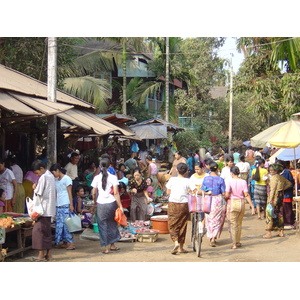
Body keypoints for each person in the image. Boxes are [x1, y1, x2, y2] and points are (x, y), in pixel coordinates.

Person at [91, 157, 123, 254]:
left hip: (101, 204)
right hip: (111, 203)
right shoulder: (113, 177)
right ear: (110, 166)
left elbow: (93, 192)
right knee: (112, 224)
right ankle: (113, 245)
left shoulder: (96, 178)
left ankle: (106, 248)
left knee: (103, 225)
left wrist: (94, 201)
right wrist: (120, 206)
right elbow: (116, 193)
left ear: (100, 166)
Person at [31, 159, 56, 262]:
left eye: (37, 173)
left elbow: (39, 192)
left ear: (41, 169)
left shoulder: (44, 177)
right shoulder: (50, 176)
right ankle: (48, 254)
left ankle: (41, 254)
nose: (37, 175)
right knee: (46, 231)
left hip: (43, 209)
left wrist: (34, 187)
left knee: (38, 231)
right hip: (48, 208)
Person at [224, 166, 255, 249]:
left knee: (233, 223)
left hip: (232, 202)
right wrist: (252, 206)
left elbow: (227, 194)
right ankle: (237, 241)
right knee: (239, 223)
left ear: (231, 173)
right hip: (241, 203)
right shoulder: (243, 182)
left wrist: (225, 199)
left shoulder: (229, 181)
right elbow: (246, 194)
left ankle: (234, 243)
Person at [166, 162, 193, 254]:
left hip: (173, 204)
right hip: (184, 204)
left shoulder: (172, 180)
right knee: (182, 224)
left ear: (177, 170)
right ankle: (181, 247)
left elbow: (168, 192)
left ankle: (176, 242)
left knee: (172, 224)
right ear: (186, 171)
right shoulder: (188, 181)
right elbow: (193, 191)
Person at [50, 163, 75, 250]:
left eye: (53, 173)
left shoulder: (67, 179)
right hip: (58, 204)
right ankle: (64, 242)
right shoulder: (56, 180)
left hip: (65, 203)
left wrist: (71, 205)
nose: (53, 175)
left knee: (67, 224)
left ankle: (71, 243)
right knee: (59, 224)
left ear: (57, 170)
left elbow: (69, 192)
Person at [263, 163, 292, 239]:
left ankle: (269, 232)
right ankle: (281, 232)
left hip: (273, 198)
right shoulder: (281, 178)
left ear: (275, 171)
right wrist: (282, 189)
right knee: (280, 213)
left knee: (269, 214)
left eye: (272, 170)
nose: (270, 171)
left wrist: (270, 200)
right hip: (280, 197)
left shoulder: (274, 178)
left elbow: (272, 190)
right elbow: (289, 183)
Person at [201, 161, 226, 247]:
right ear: (217, 169)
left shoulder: (206, 179)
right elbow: (223, 192)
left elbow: (202, 189)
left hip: (207, 198)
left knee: (208, 218)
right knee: (217, 218)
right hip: (217, 199)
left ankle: (210, 235)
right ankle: (213, 237)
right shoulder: (220, 179)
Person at [277, 160, 295, 229]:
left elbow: (291, 183)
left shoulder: (287, 172)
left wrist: (283, 187)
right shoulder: (277, 173)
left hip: (287, 194)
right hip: (280, 195)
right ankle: (283, 223)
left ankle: (289, 223)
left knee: (287, 209)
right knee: (281, 209)